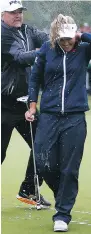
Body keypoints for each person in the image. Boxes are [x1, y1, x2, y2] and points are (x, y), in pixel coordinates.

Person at [25, 14, 91, 231]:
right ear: (55, 36)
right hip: (48, 116)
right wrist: (32, 106)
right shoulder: (47, 49)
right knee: (42, 162)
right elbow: (35, 78)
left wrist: (81, 34)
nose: (66, 43)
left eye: (69, 38)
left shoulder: (83, 49)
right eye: (62, 39)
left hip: (74, 118)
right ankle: (63, 194)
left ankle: (62, 214)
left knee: (69, 169)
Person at [1, 0, 51, 207]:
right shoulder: (2, 35)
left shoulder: (28, 30)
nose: (18, 15)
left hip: (26, 105)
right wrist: (46, 51)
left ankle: (29, 190)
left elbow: (46, 38)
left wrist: (57, 40)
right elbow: (20, 57)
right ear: (3, 14)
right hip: (3, 104)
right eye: (13, 12)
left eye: (20, 11)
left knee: (43, 146)